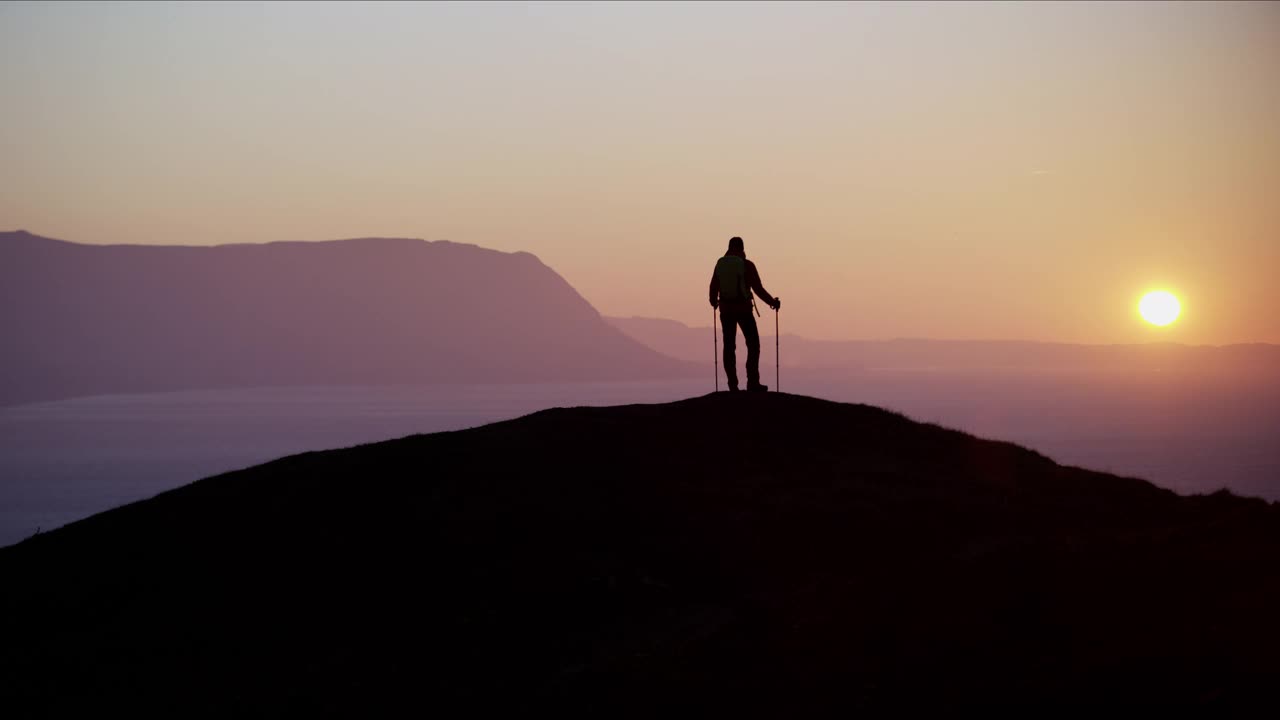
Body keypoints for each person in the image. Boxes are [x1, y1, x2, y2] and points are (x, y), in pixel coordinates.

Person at [709, 236, 780, 392]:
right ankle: (752, 383)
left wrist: (714, 301)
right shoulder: (747, 265)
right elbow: (758, 289)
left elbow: (713, 286)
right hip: (743, 310)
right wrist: (772, 302)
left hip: (726, 310)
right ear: (742, 248)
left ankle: (732, 385)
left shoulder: (720, 265)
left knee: (729, 347)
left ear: (728, 248)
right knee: (753, 344)